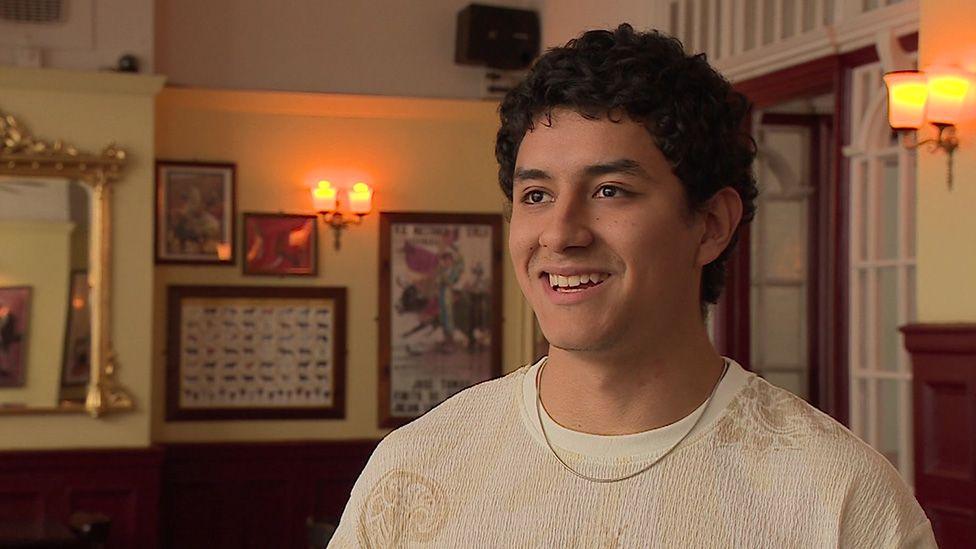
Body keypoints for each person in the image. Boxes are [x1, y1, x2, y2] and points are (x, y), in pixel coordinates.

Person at [329, 25, 935, 547]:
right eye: (536, 195)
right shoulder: (417, 470)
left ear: (711, 225)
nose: (561, 233)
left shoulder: (840, 500)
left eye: (609, 191)